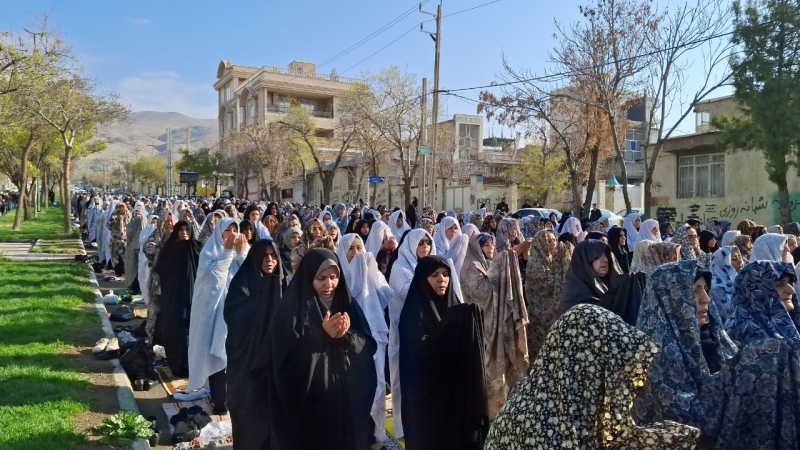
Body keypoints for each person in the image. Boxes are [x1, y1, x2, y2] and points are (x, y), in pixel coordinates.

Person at [484, 304, 700, 450]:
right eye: (611, 369)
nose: (620, 379)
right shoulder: (547, 429)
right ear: (586, 367)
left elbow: (610, 437)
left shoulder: (558, 401)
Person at [264, 249, 377, 450]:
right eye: (321, 278)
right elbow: (282, 362)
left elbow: (368, 346)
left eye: (334, 277)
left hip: (345, 402)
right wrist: (320, 336)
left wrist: (347, 336)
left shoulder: (346, 303)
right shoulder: (289, 310)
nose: (329, 285)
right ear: (309, 277)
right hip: (311, 407)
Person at [632, 261, 738, 438]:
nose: (706, 299)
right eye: (695, 291)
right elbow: (686, 419)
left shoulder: (715, 338)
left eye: (706, 289)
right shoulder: (656, 354)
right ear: (670, 297)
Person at [399, 255, 488, 449]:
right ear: (423, 278)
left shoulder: (453, 305)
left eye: (446, 274)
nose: (441, 280)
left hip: (455, 394)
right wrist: (450, 326)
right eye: (434, 275)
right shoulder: (413, 312)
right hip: (428, 401)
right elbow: (417, 355)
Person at [224, 239, 285, 450]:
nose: (269, 260)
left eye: (273, 255)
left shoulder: (285, 283)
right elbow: (233, 318)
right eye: (264, 256)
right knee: (247, 412)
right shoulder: (242, 283)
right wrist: (265, 295)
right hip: (246, 363)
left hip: (275, 363)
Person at [460, 233, 529, 418]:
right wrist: (505, 260)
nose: (491, 248)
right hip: (482, 328)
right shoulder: (471, 267)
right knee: (486, 372)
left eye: (492, 244)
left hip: (496, 326)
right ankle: (488, 414)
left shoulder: (487, 264)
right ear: (477, 248)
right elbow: (485, 293)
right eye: (486, 245)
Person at [185, 218, 249, 412]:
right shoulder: (209, 252)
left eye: (234, 230)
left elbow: (250, 275)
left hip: (236, 313)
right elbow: (214, 279)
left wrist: (241, 254)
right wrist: (228, 252)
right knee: (216, 355)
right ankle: (220, 401)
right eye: (227, 230)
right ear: (219, 233)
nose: (231, 234)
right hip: (213, 315)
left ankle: (235, 399)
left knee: (234, 357)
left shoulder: (241, 252)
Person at [335, 234, 393, 444]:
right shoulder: (337, 275)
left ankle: (372, 431)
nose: (356, 253)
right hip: (346, 341)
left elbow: (386, 295)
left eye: (359, 248)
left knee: (375, 384)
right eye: (351, 248)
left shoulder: (370, 269)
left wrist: (371, 272)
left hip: (372, 336)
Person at [388, 229, 436, 438]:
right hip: (404, 335)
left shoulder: (433, 266)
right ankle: (404, 426)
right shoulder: (400, 268)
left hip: (428, 332)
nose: (425, 246)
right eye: (420, 242)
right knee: (405, 379)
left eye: (428, 242)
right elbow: (409, 293)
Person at [152, 220, 202, 378]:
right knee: (174, 331)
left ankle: (192, 366)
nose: (184, 233)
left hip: (193, 299)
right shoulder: (169, 249)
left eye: (187, 229)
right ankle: (177, 365)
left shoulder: (198, 248)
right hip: (173, 299)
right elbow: (161, 269)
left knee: (192, 332)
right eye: (181, 230)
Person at [560, 239, 645, 325]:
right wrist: (620, 289)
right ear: (585, 260)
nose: (605, 260)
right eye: (597, 256)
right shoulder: (573, 290)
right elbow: (590, 316)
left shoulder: (611, 282)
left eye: (606, 255)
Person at [724, 260, 799, 346]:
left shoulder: (792, 322)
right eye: (778, 284)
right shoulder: (746, 332)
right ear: (755, 293)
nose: (792, 291)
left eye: (790, 283)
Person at [525, 229, 573, 360]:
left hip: (550, 312)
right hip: (539, 313)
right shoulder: (535, 260)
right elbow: (548, 282)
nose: (552, 244)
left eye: (553, 240)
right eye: (548, 241)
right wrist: (561, 262)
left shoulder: (550, 258)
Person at [709, 246, 744, 323]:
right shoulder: (717, 286)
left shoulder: (739, 279)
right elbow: (729, 313)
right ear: (722, 263)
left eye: (739, 256)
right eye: (733, 259)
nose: (740, 261)